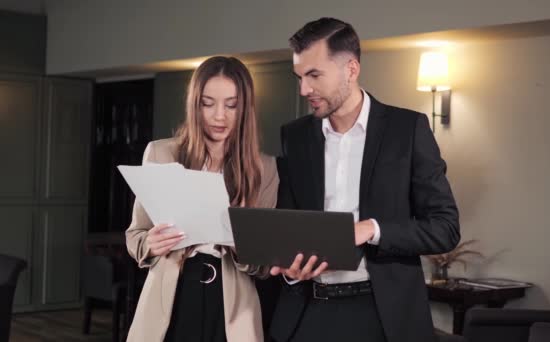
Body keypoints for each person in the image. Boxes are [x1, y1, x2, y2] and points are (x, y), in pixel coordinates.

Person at [268, 18, 460, 342]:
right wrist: (290, 266)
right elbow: (290, 218)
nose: (304, 90)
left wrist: (371, 229)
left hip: (382, 316)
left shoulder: (407, 130)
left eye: (314, 75)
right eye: (300, 77)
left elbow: (445, 228)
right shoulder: (295, 137)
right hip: (305, 313)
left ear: (351, 69)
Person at [125, 56, 278, 342]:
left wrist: (240, 243)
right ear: (195, 104)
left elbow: (264, 265)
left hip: (233, 304)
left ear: (245, 108)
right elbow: (135, 235)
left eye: (231, 105)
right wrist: (151, 243)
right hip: (172, 296)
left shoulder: (264, 168)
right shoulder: (160, 153)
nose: (219, 116)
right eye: (208, 103)